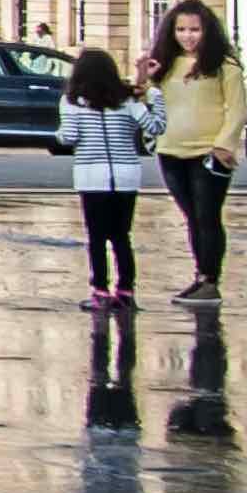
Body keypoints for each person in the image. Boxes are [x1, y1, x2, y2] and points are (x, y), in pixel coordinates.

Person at [146, 0, 247, 302]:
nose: (187, 36)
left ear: (207, 31)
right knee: (192, 217)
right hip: (170, 151)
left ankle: (209, 280)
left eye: (194, 30)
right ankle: (200, 275)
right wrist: (142, 77)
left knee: (207, 216)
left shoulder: (224, 65)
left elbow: (238, 109)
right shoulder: (164, 64)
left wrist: (224, 144)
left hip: (208, 152)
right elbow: (144, 103)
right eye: (181, 30)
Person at [63, 44, 162, 307]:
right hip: (126, 175)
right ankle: (126, 290)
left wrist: (59, 134)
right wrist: (154, 94)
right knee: (121, 236)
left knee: (96, 237)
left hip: (91, 176)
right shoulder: (127, 101)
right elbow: (155, 127)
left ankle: (100, 290)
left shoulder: (73, 102)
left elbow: (69, 137)